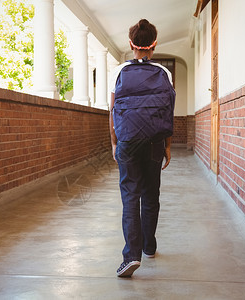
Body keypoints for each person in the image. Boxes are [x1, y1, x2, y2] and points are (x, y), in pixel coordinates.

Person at [108, 19, 175, 277]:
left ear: (131, 44)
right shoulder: (164, 73)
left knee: (130, 197)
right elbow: (168, 111)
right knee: (151, 195)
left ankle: (130, 256)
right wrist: (167, 146)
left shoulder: (118, 71)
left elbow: (112, 111)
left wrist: (115, 143)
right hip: (154, 141)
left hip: (127, 141)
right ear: (154, 44)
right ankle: (149, 246)